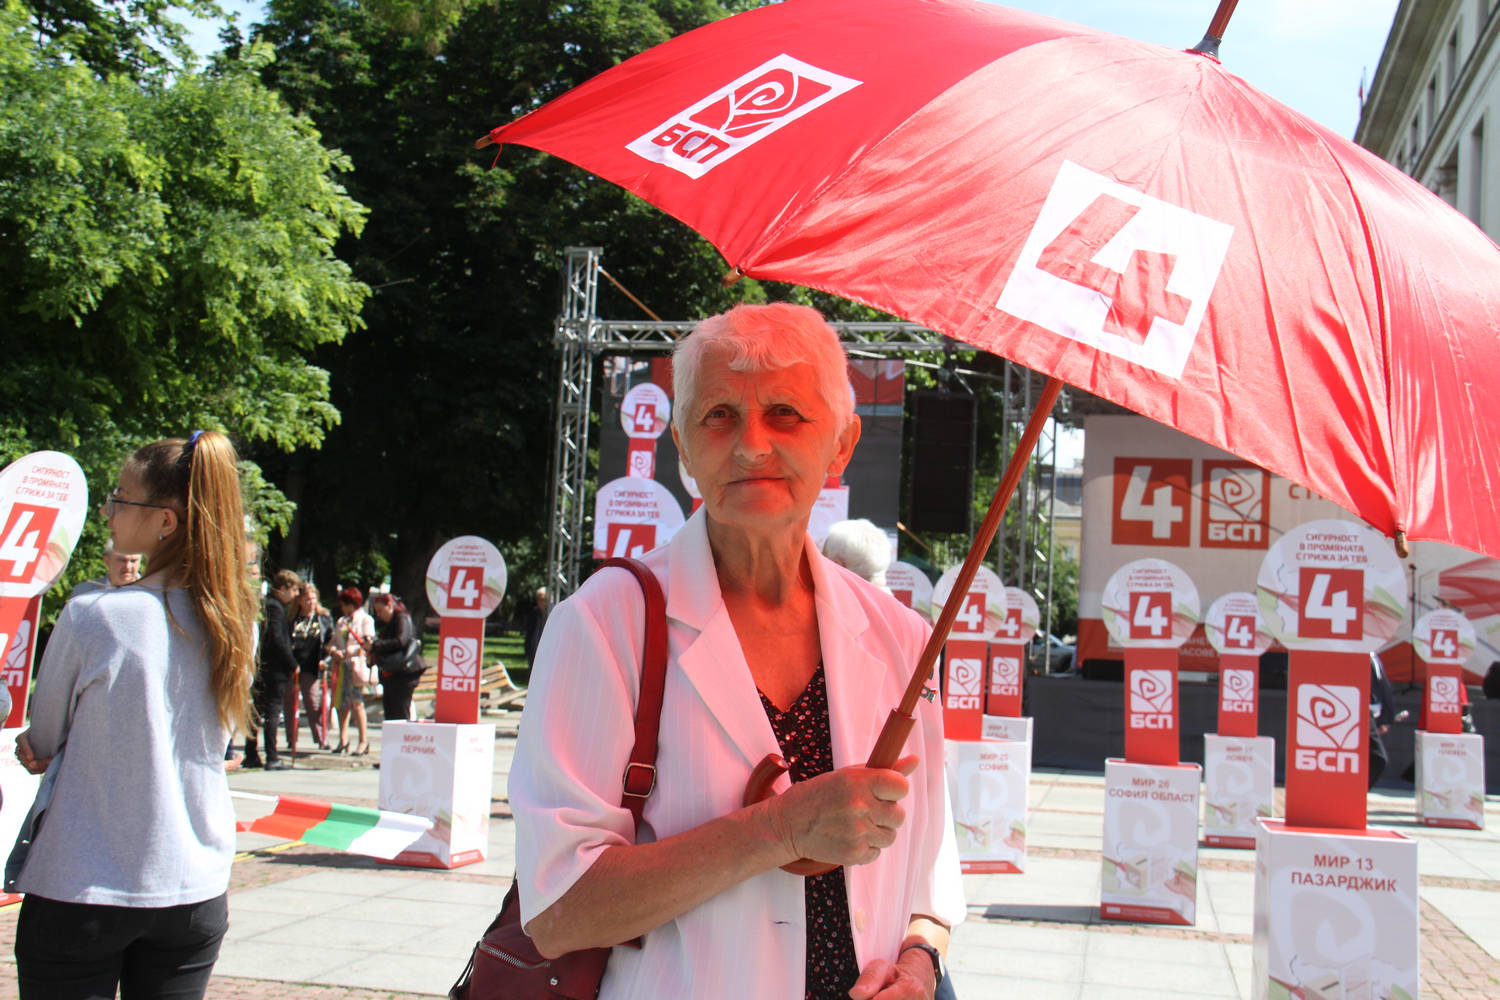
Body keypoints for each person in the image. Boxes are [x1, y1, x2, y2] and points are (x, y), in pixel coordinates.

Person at [510, 304, 963, 1000]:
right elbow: (559, 912)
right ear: (683, 447)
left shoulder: (900, 638)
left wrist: (921, 963)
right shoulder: (605, 624)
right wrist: (778, 830)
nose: (751, 445)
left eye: (786, 413)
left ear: (842, 443)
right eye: (719, 415)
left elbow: (930, 872)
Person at [11, 430, 258, 998]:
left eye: (120, 499)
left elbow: (42, 741)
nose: (108, 511)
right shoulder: (234, 624)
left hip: (85, 881)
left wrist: (36, 746)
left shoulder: (95, 615)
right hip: (193, 885)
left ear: (165, 521)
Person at [245, 569, 300, 770]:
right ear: (284, 588)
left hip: (263, 667)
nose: (295, 595)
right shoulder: (275, 607)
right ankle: (271, 755)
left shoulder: (267, 604)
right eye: (294, 590)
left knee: (257, 711)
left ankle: (251, 753)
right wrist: (292, 663)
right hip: (274, 670)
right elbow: (277, 639)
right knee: (272, 712)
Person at [328, 586, 375, 755]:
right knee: (341, 703)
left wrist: (350, 651)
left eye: (344, 604)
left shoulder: (365, 619)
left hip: (356, 666)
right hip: (341, 666)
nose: (342, 607)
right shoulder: (341, 621)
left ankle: (363, 741)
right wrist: (333, 651)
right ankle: (343, 739)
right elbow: (334, 641)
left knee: (357, 703)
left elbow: (368, 644)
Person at [288, 583, 334, 750]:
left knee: (313, 702)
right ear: (300, 600)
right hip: (293, 664)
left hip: (312, 665)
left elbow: (330, 641)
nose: (311, 602)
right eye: (307, 599)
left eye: (313, 598)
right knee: (290, 702)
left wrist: (325, 659)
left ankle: (321, 737)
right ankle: (291, 738)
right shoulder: (292, 618)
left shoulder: (323, 618)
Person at [371, 593, 424, 727]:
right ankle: (393, 738)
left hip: (404, 671)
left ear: (390, 605)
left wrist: (376, 645)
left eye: (380, 611)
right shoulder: (392, 622)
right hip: (393, 673)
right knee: (391, 714)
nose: (379, 615)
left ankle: (400, 738)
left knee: (400, 714)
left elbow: (401, 640)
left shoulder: (402, 617)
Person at [821, 519, 893, 592]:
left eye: (823, 556)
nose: (820, 564)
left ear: (836, 566)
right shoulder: (887, 598)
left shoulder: (828, 597)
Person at [66, 537, 142, 600]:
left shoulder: (148, 593)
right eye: (122, 560)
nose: (128, 566)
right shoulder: (83, 593)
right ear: (107, 561)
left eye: (133, 561)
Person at [1368, 651, 1398, 789]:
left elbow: (1383, 687)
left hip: (1374, 714)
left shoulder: (1373, 656)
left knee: (1375, 759)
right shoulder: (1359, 653)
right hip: (1362, 711)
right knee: (1378, 758)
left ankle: (1358, 792)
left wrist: (1386, 718)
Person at [522, 586, 550, 669]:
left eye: (543, 600)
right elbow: (530, 634)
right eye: (539, 599)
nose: (541, 602)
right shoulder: (534, 613)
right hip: (534, 653)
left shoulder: (551, 613)